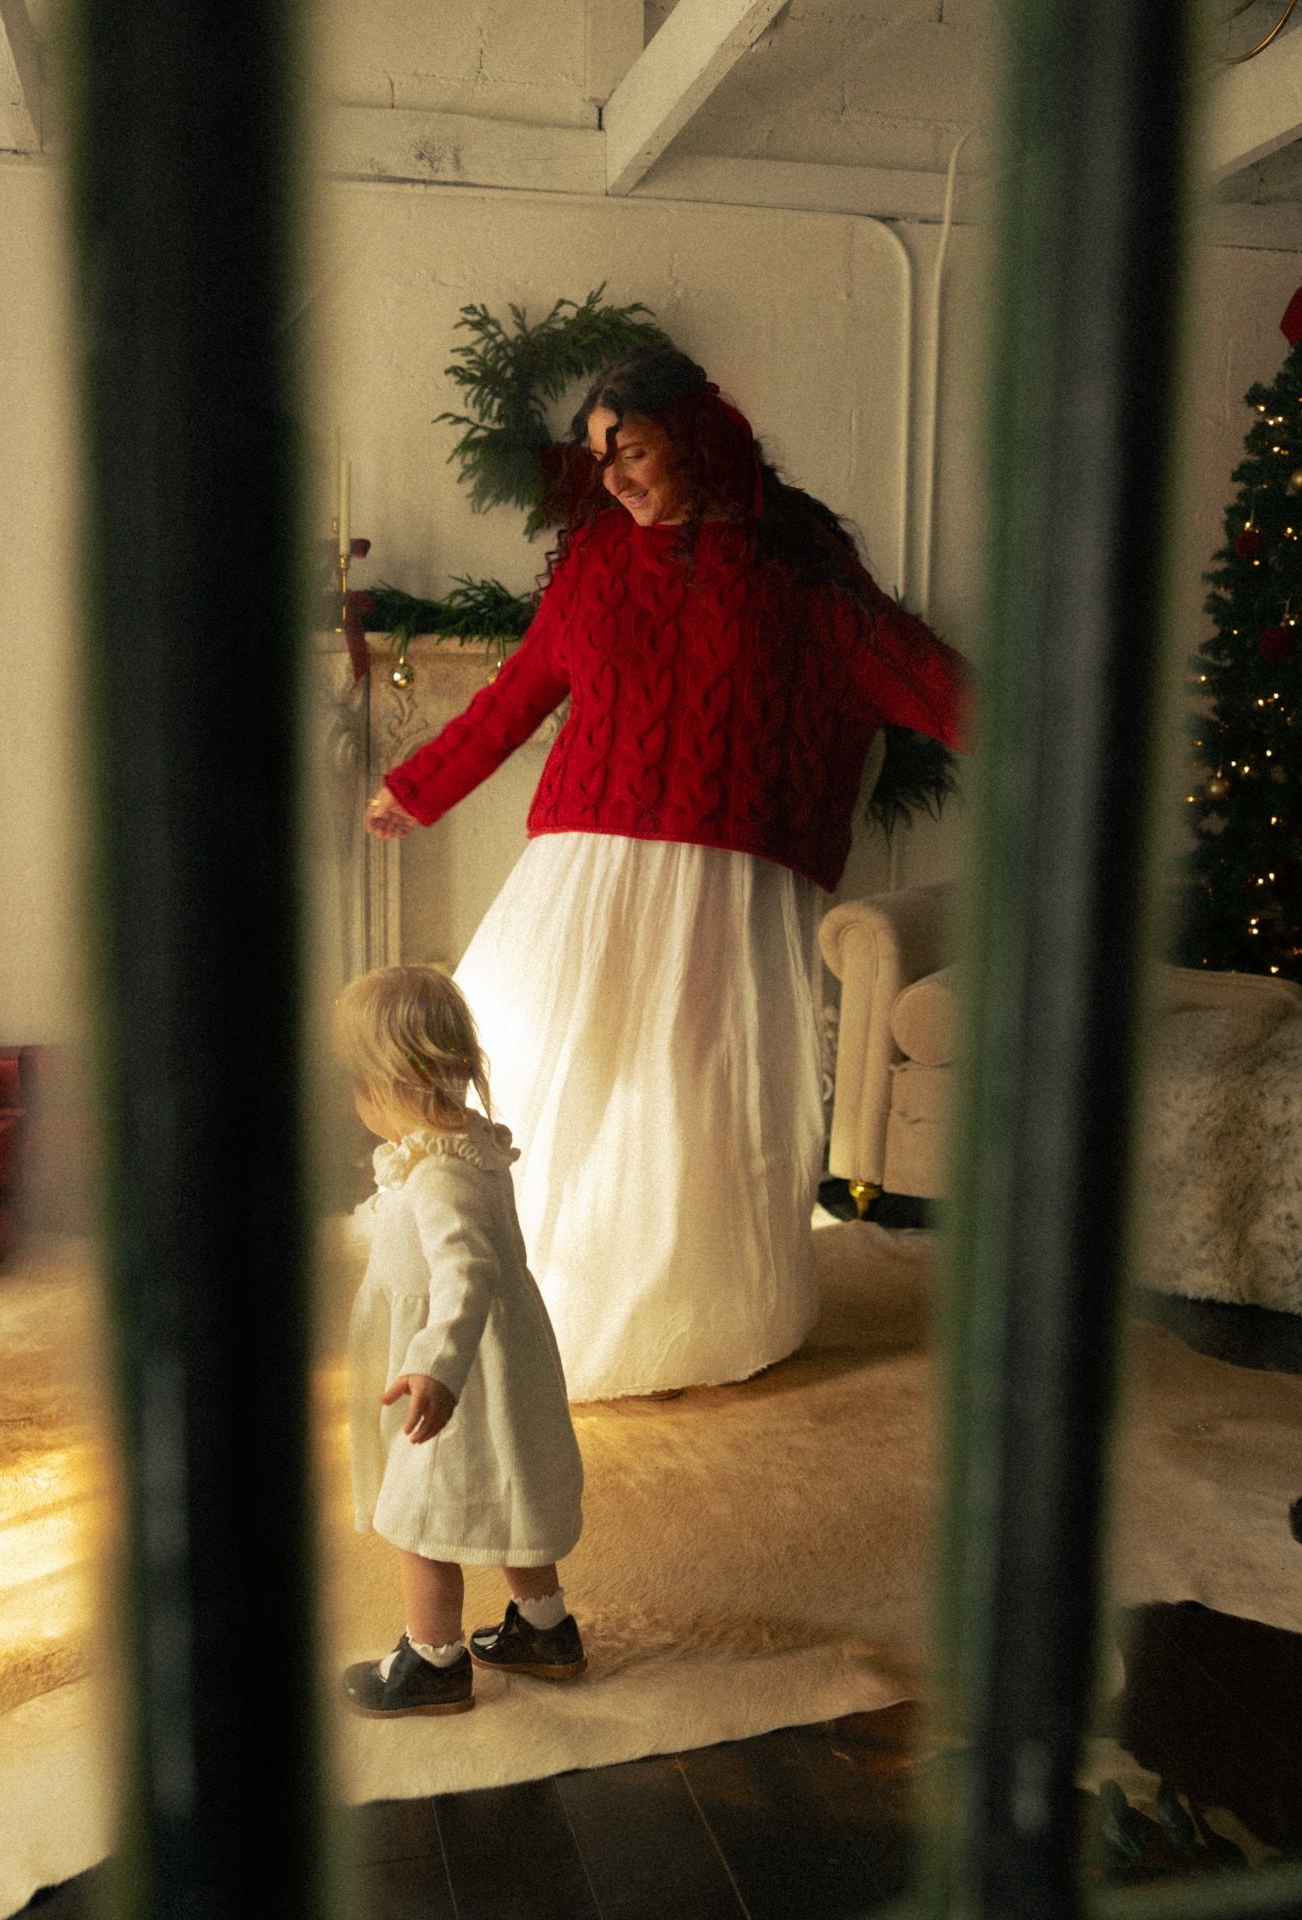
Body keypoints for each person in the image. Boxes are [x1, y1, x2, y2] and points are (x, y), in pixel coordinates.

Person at [364, 345, 968, 1402]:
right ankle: (495, 1299)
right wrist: (417, 788)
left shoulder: (797, 564)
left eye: (632, 451)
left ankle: (684, 1321)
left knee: (692, 1104)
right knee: (540, 1069)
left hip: (726, 889)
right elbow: (517, 694)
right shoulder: (599, 558)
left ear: (696, 439)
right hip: (579, 871)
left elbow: (919, 673)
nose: (614, 479)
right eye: (599, 459)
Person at [337, 964, 587, 1718]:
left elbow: (467, 1273)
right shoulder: (468, 1146)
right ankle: (544, 1629)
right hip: (498, 1364)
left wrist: (435, 1368)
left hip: (457, 1382)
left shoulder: (439, 1175)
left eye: (357, 1083)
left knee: (422, 1519)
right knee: (509, 1496)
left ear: (387, 1083)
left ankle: (433, 1663)